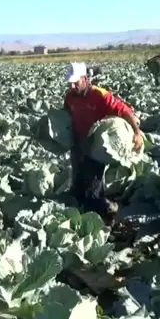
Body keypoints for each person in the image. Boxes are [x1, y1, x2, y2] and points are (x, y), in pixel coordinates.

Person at [63, 62, 143, 224]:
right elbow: (65, 116)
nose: (72, 86)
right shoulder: (70, 97)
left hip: (97, 144)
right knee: (78, 178)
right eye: (70, 83)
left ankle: (100, 216)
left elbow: (125, 111)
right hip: (78, 143)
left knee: (93, 182)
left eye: (75, 82)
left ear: (85, 79)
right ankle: (80, 208)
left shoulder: (99, 95)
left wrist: (136, 132)